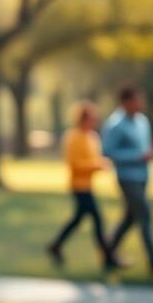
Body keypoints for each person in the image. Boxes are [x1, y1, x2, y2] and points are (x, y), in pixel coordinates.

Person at [101, 85, 153, 276]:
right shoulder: (115, 125)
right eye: (137, 99)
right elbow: (108, 152)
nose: (141, 103)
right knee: (145, 214)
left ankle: (107, 252)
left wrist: (146, 156)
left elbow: (145, 148)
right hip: (127, 178)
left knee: (130, 218)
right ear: (126, 102)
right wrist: (137, 156)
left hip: (142, 177)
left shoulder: (142, 122)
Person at [46, 102, 121, 271]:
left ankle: (55, 246)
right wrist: (97, 165)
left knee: (78, 220)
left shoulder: (92, 137)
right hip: (78, 186)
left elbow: (94, 158)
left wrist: (99, 164)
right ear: (83, 119)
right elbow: (75, 164)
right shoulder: (73, 137)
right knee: (97, 220)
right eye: (92, 119)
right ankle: (108, 257)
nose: (95, 123)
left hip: (88, 186)